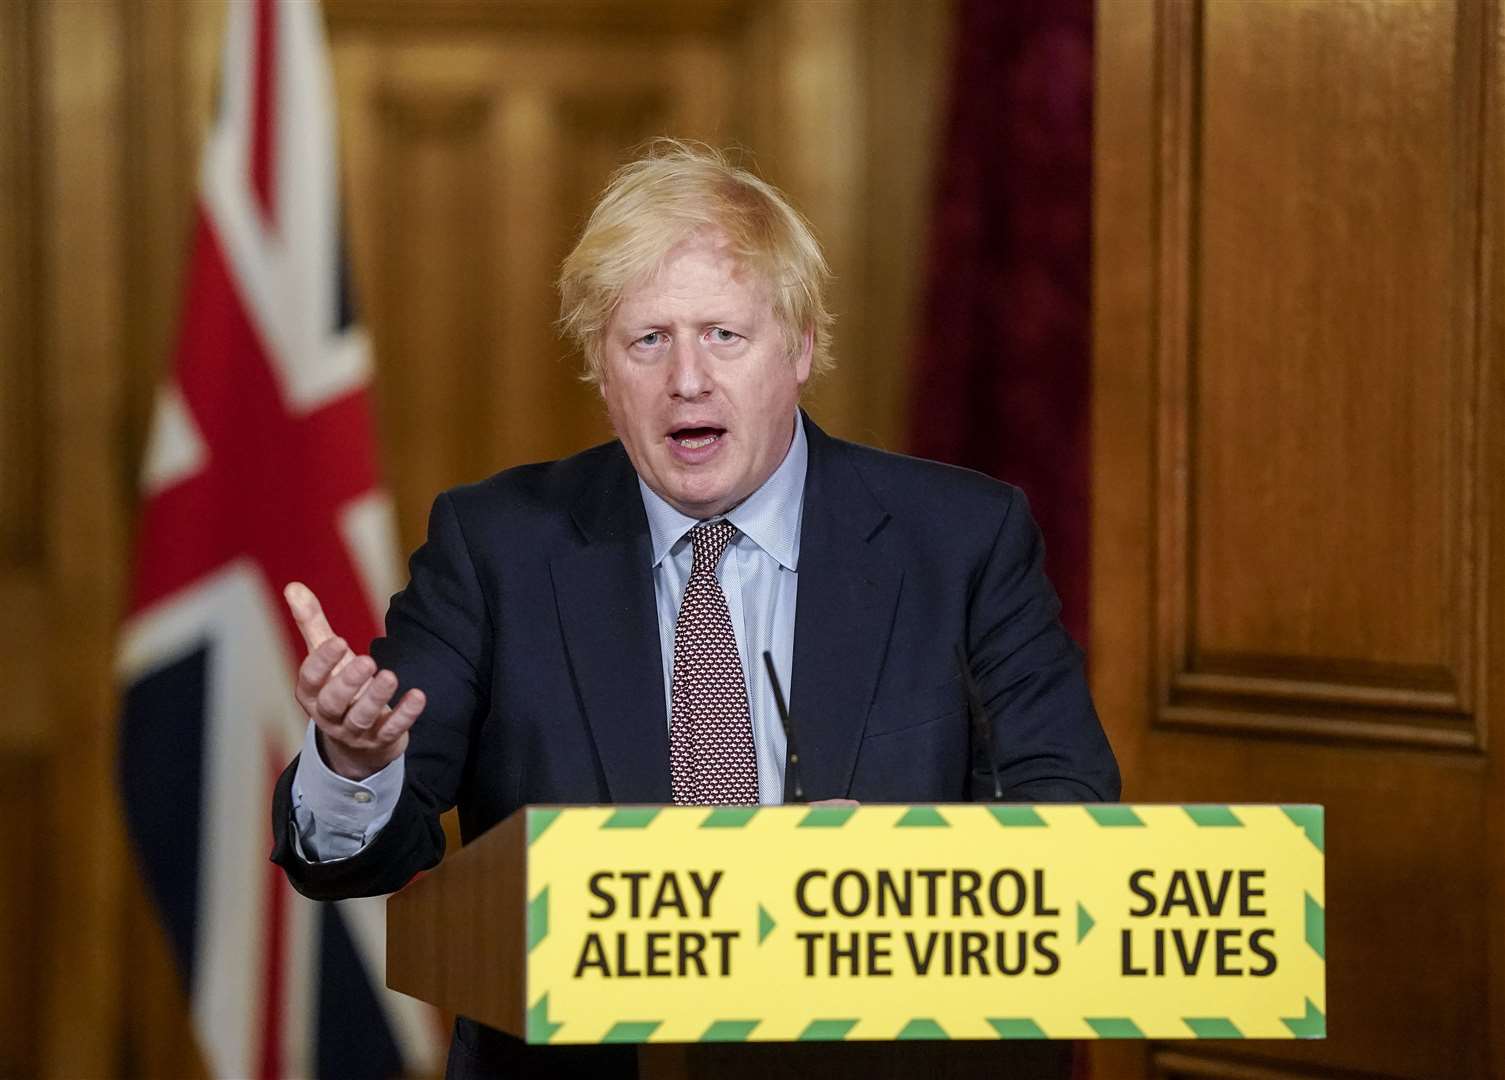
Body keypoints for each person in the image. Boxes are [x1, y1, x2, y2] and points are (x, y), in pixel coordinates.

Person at [271, 140, 1119, 1079]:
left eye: (724, 334)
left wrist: (892, 867)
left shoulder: (959, 539)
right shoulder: (496, 546)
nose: (686, 379)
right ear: (601, 367)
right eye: (647, 340)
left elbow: (1070, 819)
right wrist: (351, 765)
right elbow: (365, 854)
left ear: (799, 349)